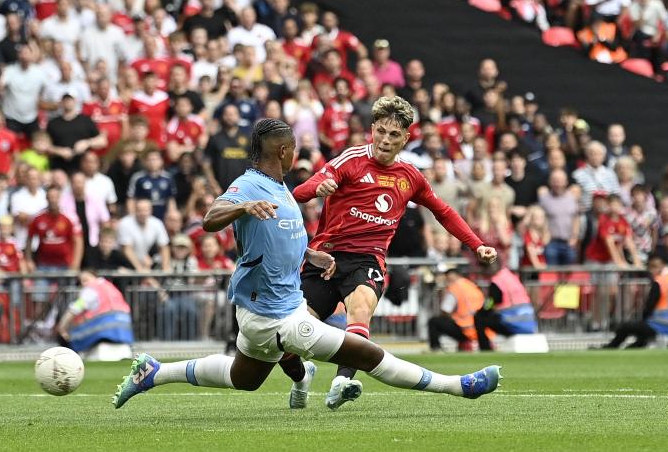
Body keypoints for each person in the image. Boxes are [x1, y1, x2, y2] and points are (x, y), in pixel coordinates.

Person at [112, 119, 502, 411]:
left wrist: (308, 255)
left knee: (243, 378)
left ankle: (154, 372)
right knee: (364, 355)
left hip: (266, 307)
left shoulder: (278, 186)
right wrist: (243, 206)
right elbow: (210, 218)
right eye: (294, 148)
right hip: (275, 315)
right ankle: (457, 386)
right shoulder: (252, 184)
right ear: (283, 152)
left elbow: (278, 238)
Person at [290, 96, 497, 409]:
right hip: (326, 257)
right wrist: (317, 188)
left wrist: (476, 243)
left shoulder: (410, 177)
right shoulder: (351, 159)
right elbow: (299, 193)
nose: (386, 140)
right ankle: (301, 376)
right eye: (381, 132)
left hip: (367, 259)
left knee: (360, 308)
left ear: (406, 138)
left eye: (394, 134)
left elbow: (443, 211)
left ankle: (342, 382)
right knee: (293, 336)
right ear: (372, 129)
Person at [602, 254, 668, 349]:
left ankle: (611, 347)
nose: (652, 270)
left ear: (662, 265)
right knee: (641, 336)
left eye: (654, 266)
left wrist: (643, 319)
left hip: (663, 325)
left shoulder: (660, 281)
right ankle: (633, 347)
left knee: (625, 327)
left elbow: (650, 305)